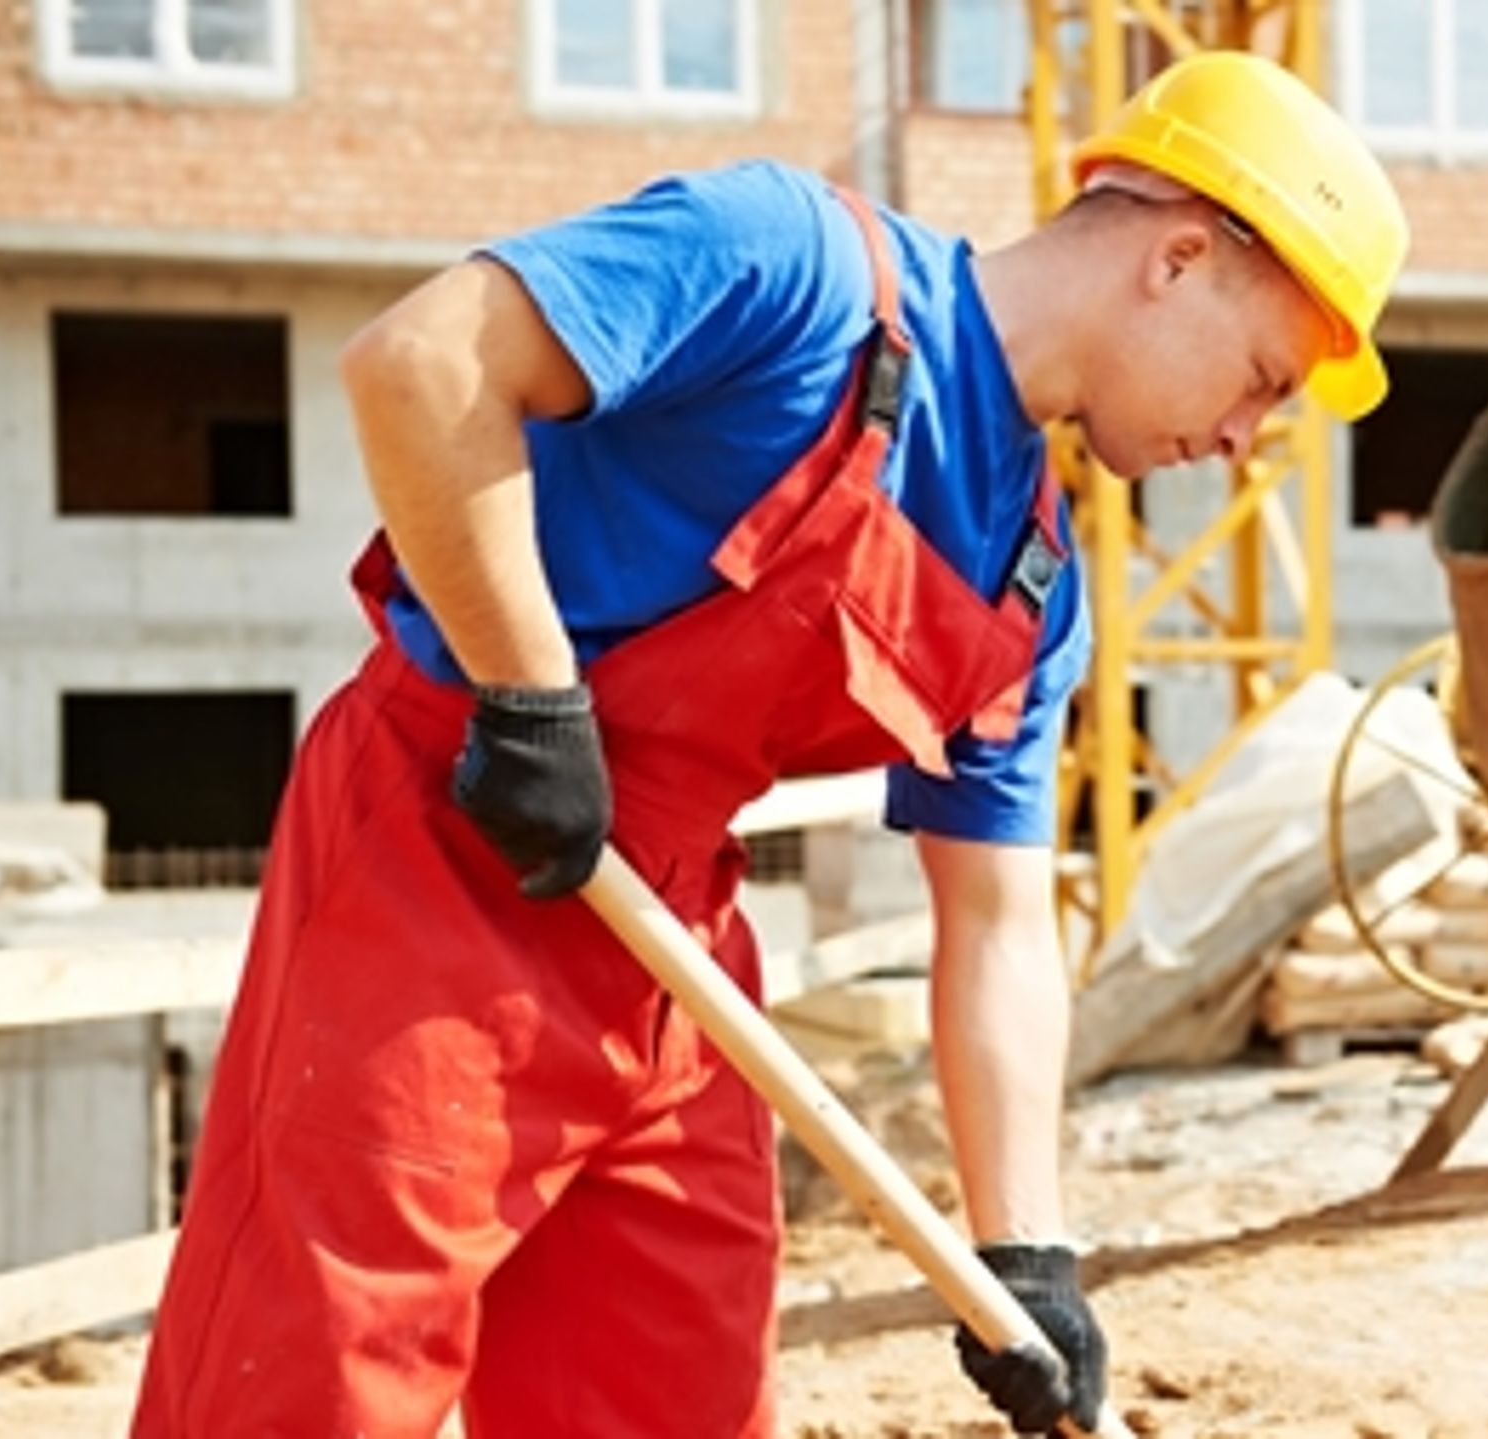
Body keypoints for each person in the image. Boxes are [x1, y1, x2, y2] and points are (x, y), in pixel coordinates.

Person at [128, 48, 1407, 1439]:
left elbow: (998, 926)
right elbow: (423, 366)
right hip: (440, 866)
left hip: (671, 955)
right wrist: (531, 696)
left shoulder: (1034, 582)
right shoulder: (790, 266)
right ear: (1177, 257)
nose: (1243, 437)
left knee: (671, 1401)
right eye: (1264, 378)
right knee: (314, 1380)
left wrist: (1026, 1252)